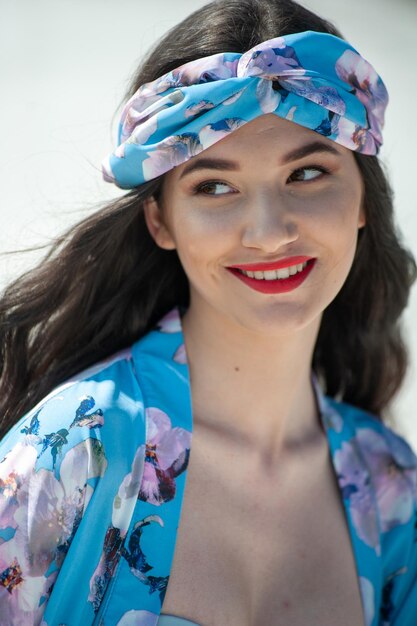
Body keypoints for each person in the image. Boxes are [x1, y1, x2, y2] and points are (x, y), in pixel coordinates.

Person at [0, 0, 416, 624]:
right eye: (214, 186)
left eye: (306, 173)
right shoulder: (75, 450)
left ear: (362, 199)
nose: (270, 232)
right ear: (161, 221)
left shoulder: (394, 492)